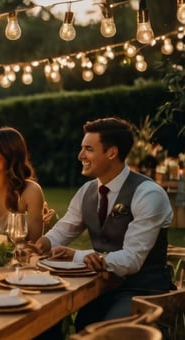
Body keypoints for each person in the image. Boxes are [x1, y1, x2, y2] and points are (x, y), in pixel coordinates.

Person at [32, 117, 173, 332]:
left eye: (88, 149)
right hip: (101, 288)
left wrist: (76, 255)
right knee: (46, 318)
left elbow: (132, 259)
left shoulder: (148, 194)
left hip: (142, 292)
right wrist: (43, 243)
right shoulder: (87, 191)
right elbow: (66, 228)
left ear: (112, 153)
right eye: (82, 149)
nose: (80, 156)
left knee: (102, 331)